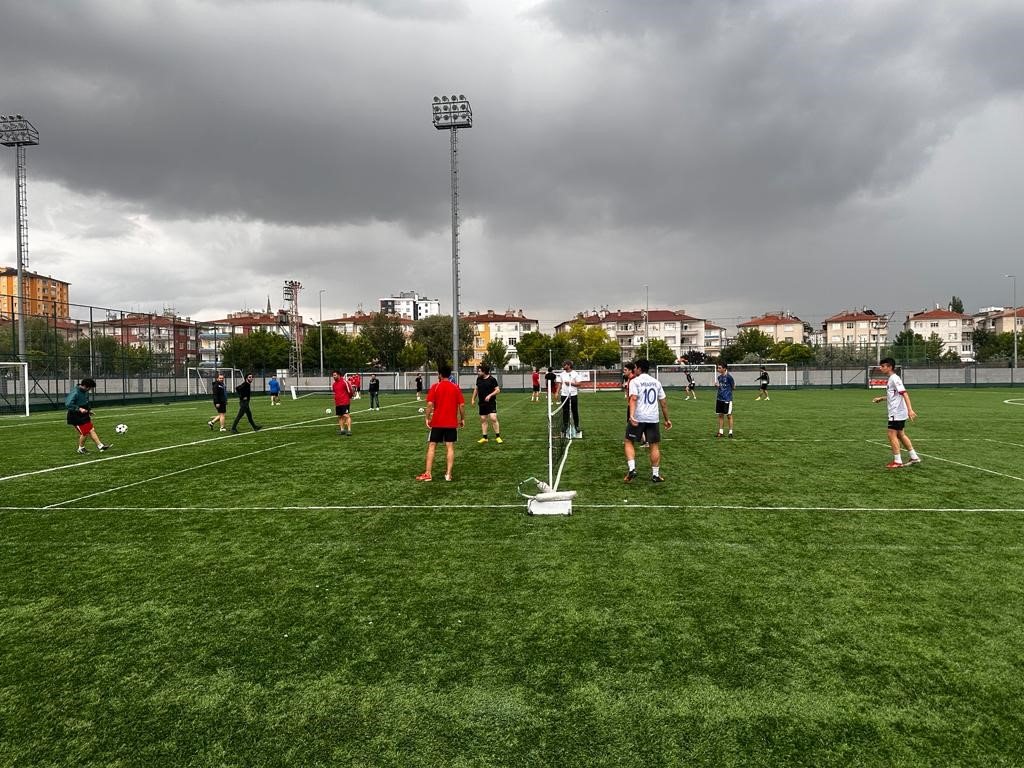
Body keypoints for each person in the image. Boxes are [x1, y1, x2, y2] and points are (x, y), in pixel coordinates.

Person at [624, 359, 671, 483]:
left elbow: (633, 398)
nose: (634, 370)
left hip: (639, 417)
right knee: (654, 445)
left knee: (628, 441)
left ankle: (632, 468)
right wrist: (667, 420)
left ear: (638, 368)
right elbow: (663, 402)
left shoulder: (635, 381)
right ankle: (655, 475)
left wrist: (632, 416)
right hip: (653, 418)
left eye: (635, 368)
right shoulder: (656, 382)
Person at [417, 362, 465, 482]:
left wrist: (427, 418)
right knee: (450, 447)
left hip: (437, 422)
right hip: (451, 423)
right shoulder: (455, 387)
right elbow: (462, 405)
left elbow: (429, 405)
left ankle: (428, 474)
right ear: (449, 375)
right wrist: (462, 418)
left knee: (432, 445)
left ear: (439, 374)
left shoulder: (435, 387)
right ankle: (448, 474)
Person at [872, 357, 921, 468]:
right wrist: (882, 398)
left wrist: (910, 409)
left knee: (891, 434)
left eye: (883, 366)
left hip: (897, 412)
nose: (881, 368)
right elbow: (894, 395)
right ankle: (914, 457)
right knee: (900, 434)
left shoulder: (895, 378)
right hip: (898, 412)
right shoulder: (891, 379)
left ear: (890, 367)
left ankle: (897, 461)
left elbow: (904, 393)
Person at [65, 377, 111, 454]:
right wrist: (79, 409)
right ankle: (81, 448)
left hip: (84, 415)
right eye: (89, 388)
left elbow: (85, 403)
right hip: (75, 416)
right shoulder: (75, 392)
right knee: (85, 432)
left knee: (91, 429)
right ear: (86, 386)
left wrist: (89, 411)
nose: (89, 390)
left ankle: (100, 446)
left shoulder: (85, 392)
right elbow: (68, 404)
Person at [471, 363, 502, 443]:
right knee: (483, 419)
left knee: (493, 418)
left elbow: (498, 390)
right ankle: (485, 438)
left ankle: (498, 436)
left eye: (479, 371)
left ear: (484, 372)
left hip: (491, 402)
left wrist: (490, 395)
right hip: (481, 403)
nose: (478, 372)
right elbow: (476, 389)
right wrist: (473, 399)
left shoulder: (492, 379)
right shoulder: (478, 379)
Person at [555, 359, 583, 438]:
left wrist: (571, 383)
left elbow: (579, 384)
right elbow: (560, 384)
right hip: (564, 395)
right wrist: (557, 392)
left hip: (573, 394)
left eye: (565, 365)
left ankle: (577, 426)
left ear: (569, 365)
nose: (563, 366)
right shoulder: (562, 374)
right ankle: (565, 426)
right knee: (565, 411)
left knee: (575, 411)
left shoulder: (575, 374)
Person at [715, 362, 735, 438]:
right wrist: (718, 386)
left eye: (719, 368)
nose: (718, 369)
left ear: (724, 369)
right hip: (719, 398)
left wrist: (727, 390)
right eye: (718, 368)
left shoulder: (729, 377)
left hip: (727, 399)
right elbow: (721, 387)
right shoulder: (719, 377)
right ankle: (720, 432)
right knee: (720, 415)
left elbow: (733, 387)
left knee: (729, 415)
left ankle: (730, 432)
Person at [331, 370, 354, 435]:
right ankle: (342, 430)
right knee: (340, 416)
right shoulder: (334, 384)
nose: (333, 376)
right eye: (333, 375)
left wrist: (347, 398)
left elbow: (350, 391)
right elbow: (335, 393)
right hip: (338, 403)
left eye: (335, 375)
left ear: (338, 375)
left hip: (345, 402)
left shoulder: (344, 382)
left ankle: (349, 430)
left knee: (346, 415)